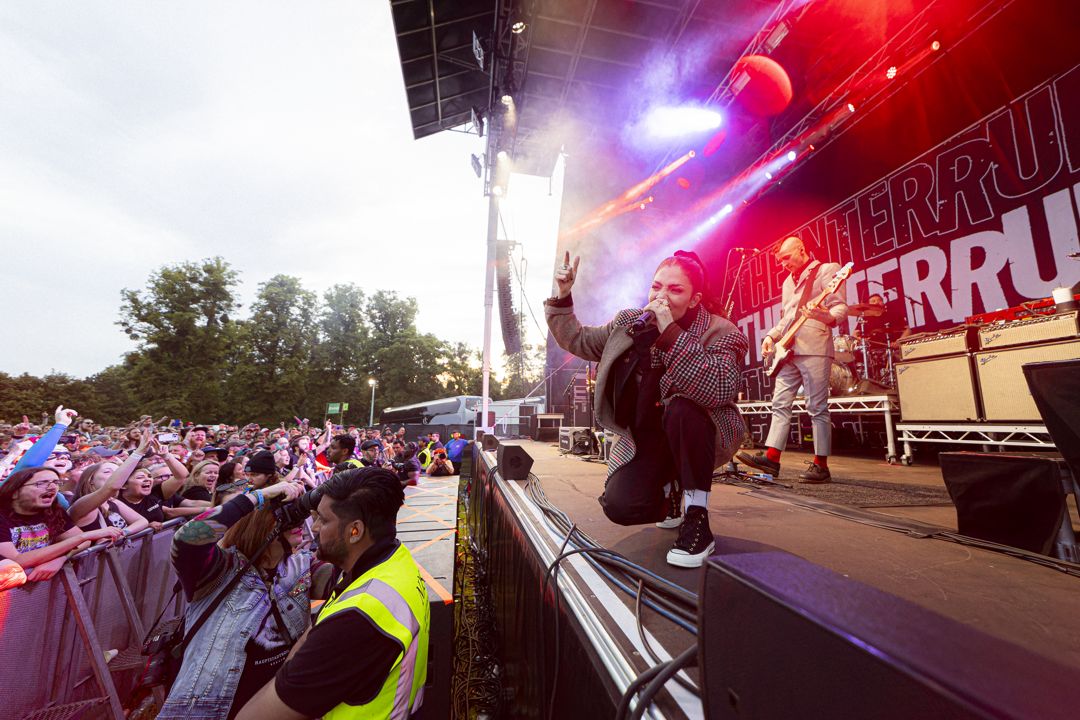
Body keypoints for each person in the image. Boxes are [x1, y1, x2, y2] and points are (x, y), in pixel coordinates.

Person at [546, 249, 748, 568]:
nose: (661, 297)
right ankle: (670, 494)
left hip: (699, 431)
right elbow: (579, 341)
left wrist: (671, 334)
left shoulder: (721, 332)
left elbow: (718, 389)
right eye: (657, 287)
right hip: (648, 435)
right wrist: (563, 296)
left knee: (683, 407)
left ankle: (697, 517)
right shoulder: (630, 322)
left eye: (675, 289)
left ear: (695, 299)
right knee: (620, 507)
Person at [237, 467, 429, 720]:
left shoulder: (357, 619)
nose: (314, 527)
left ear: (355, 531)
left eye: (324, 520)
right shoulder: (392, 562)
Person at [157, 479, 329, 720]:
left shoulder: (300, 566)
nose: (298, 523)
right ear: (256, 523)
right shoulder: (218, 570)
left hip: (276, 703)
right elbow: (187, 538)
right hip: (214, 707)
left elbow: (346, 576)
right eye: (284, 517)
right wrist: (260, 497)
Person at [737, 236, 848, 483]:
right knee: (780, 403)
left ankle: (821, 465)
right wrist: (770, 336)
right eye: (780, 260)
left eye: (786, 257)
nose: (783, 264)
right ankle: (772, 459)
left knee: (816, 407)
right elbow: (787, 318)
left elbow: (840, 307)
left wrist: (826, 316)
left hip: (815, 347)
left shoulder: (827, 270)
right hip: (788, 350)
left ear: (802, 250)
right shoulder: (787, 282)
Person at [0, 466, 124, 581]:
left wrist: (61, 559)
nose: (52, 487)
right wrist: (84, 536)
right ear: (15, 492)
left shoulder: (53, 512)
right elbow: (17, 560)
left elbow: (84, 544)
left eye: (56, 482)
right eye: (41, 483)